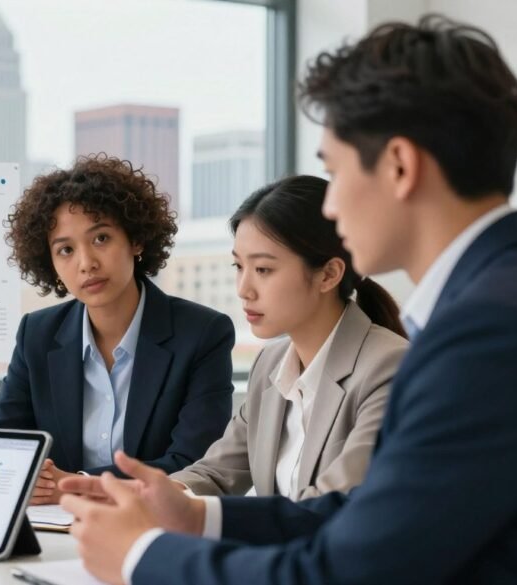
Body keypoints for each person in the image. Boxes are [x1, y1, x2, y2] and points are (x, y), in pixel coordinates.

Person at [59, 15, 517, 584]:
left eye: (335, 170)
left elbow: (348, 570)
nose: (329, 207)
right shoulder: (488, 301)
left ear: (399, 166)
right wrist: (195, 513)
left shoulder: (487, 329)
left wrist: (138, 558)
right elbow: (364, 517)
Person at [0, 154, 235, 504]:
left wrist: (76, 483)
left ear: (136, 240)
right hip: (54, 523)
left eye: (101, 238)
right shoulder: (37, 334)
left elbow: (193, 464)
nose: (86, 263)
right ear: (51, 264)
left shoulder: (203, 333)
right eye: (66, 250)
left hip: (153, 522)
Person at [171, 175, 408, 501]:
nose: (244, 289)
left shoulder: (389, 367)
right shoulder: (270, 364)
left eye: (263, 270)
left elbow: (333, 505)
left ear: (329, 274)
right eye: (239, 266)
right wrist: (148, 496)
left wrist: (204, 517)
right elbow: (215, 474)